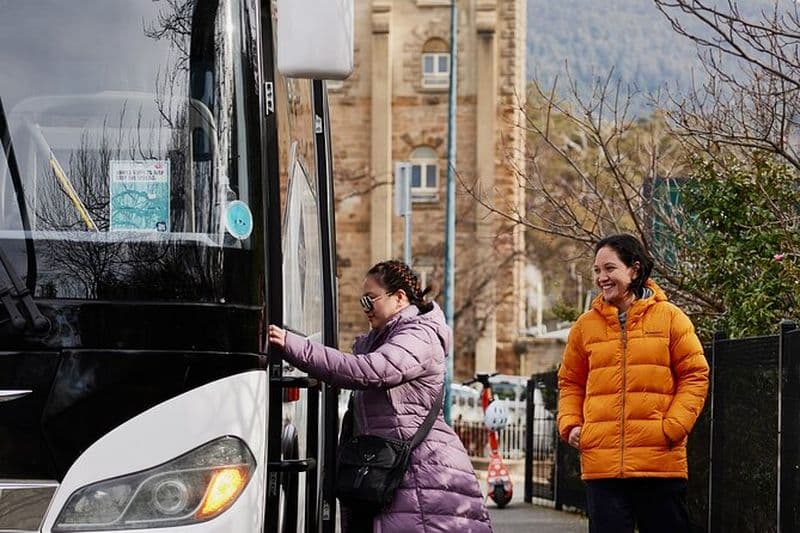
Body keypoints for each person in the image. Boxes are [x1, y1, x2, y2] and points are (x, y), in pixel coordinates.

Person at [268, 260, 492, 533]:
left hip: (421, 472)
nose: (365, 308)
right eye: (362, 301)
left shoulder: (419, 335)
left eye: (370, 299)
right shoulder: (384, 339)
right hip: (394, 473)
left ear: (399, 298)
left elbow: (369, 370)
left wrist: (296, 347)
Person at [557, 234, 709, 533]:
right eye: (598, 270)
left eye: (610, 268)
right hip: (603, 465)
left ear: (634, 270)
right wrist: (571, 424)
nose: (602, 277)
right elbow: (570, 381)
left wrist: (673, 427)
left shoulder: (671, 318)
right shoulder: (584, 327)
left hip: (659, 462)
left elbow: (695, 375)